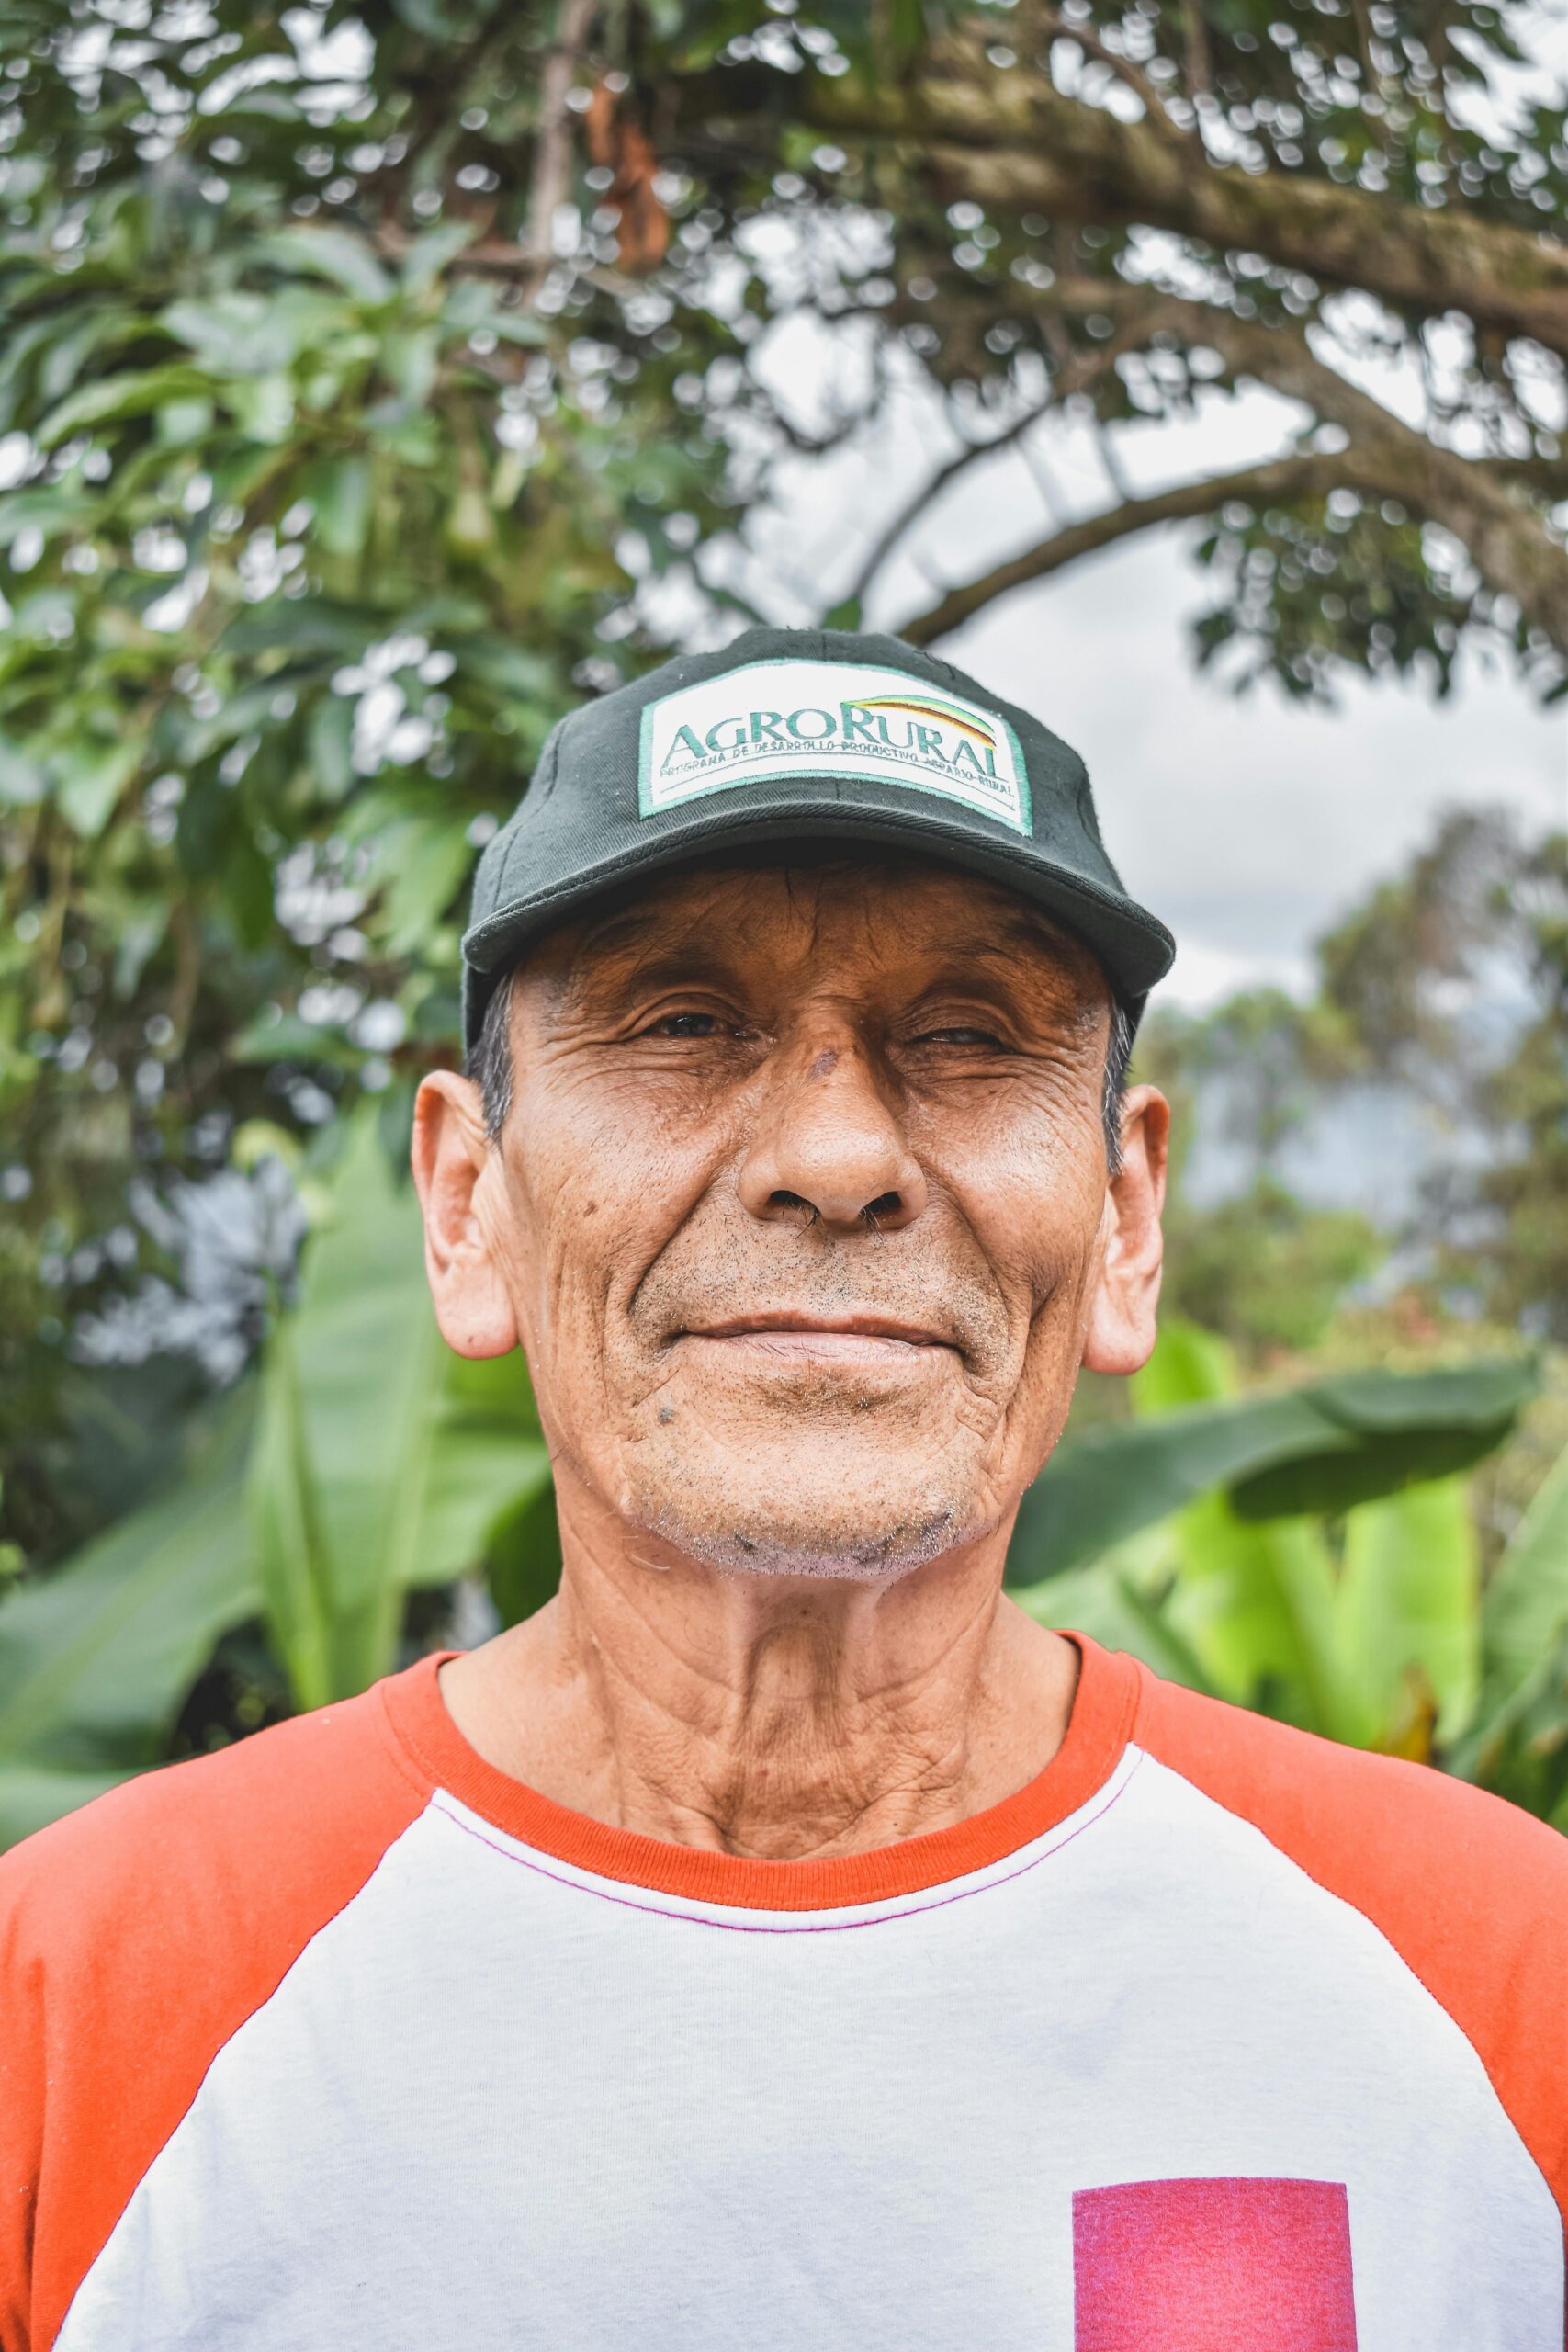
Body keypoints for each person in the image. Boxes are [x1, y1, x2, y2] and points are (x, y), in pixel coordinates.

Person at [2, 628, 1565, 2352]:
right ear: (468, 1209)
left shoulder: (1502, 1986)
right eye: (680, 1023)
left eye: (972, 1035)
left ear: (1125, 1222)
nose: (836, 1159)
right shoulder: (76, 2010)